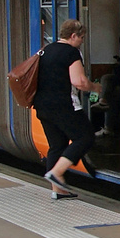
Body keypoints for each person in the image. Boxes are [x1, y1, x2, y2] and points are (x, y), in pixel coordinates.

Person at [36, 19, 98, 200]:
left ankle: (58, 190)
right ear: (73, 36)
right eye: (81, 38)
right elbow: (79, 82)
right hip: (63, 105)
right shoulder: (71, 52)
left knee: (57, 145)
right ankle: (57, 171)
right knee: (85, 137)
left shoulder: (45, 50)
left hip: (42, 105)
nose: (82, 41)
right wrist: (95, 87)